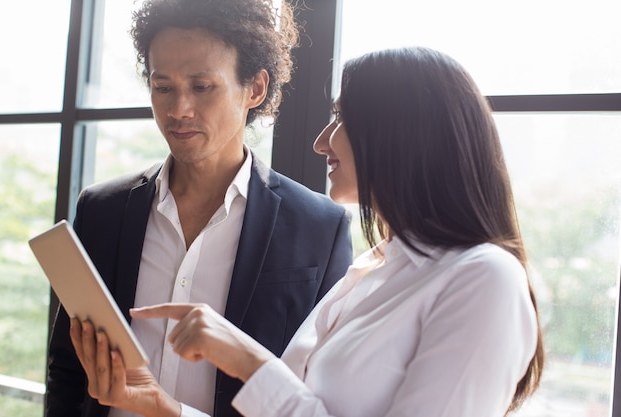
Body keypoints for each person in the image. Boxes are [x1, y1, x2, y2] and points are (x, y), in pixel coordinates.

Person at [129, 46, 546, 417]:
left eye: (343, 118)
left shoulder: (486, 278)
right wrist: (169, 410)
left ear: (404, 133)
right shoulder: (372, 270)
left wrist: (247, 360)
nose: (321, 142)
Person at [46, 1, 353, 417]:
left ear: (255, 89)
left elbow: (316, 393)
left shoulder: (319, 227)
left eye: (201, 86)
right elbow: (66, 371)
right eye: (163, 87)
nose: (178, 110)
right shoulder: (102, 210)